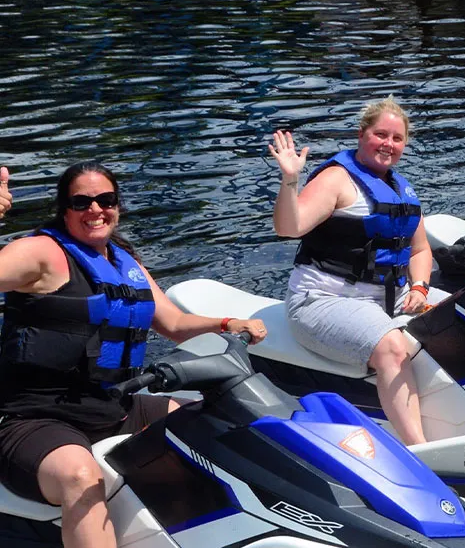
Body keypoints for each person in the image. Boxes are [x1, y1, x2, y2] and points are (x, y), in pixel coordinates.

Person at [0, 161, 266, 548]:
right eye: (82, 201)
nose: (95, 209)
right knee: (80, 476)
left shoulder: (123, 262)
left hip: (114, 405)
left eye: (105, 200)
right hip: (35, 417)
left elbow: (172, 323)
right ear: (64, 209)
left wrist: (226, 323)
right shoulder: (41, 253)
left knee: (214, 425)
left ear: (118, 206)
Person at [269, 96, 432, 447]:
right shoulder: (337, 180)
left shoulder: (400, 189)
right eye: (380, 135)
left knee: (457, 317)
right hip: (322, 300)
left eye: (397, 138)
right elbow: (289, 226)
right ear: (361, 135)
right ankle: (421, 450)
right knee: (392, 346)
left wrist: (419, 287)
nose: (388, 144)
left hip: (387, 299)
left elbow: (420, 249)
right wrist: (290, 181)